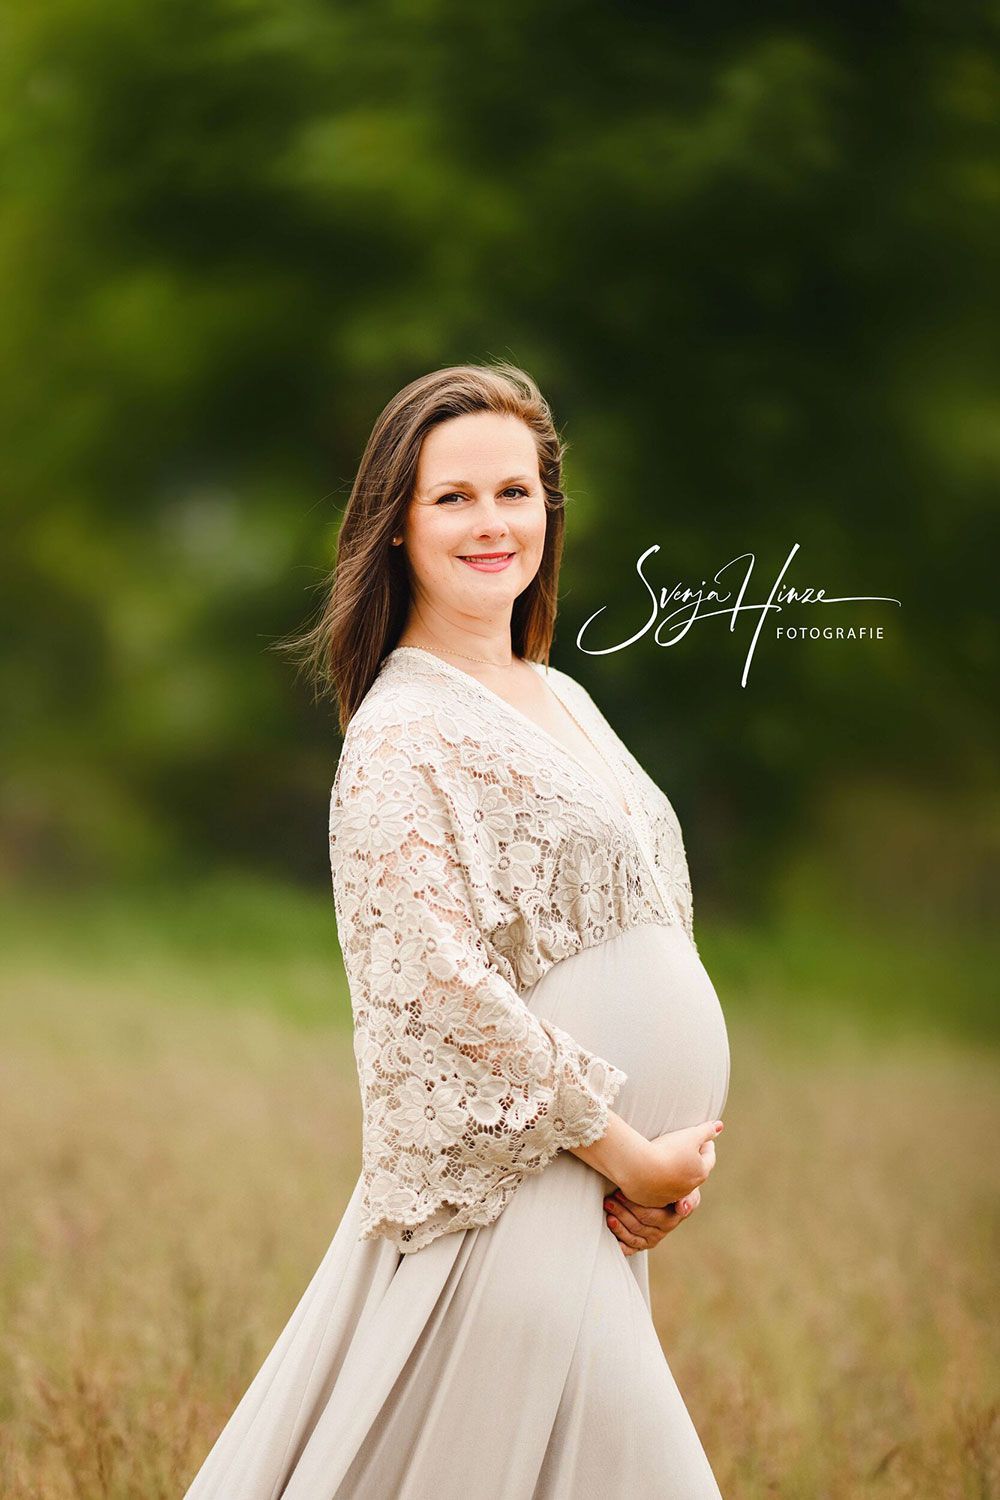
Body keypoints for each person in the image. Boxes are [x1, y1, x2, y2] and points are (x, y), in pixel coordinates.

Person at [182, 362, 731, 1499]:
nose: (493, 523)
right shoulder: (400, 733)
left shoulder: (562, 694)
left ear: (547, 509)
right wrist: (628, 1150)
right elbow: (434, 984)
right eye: (454, 498)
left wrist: (661, 1176)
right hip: (520, 1194)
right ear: (394, 526)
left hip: (601, 1206)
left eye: (516, 492)